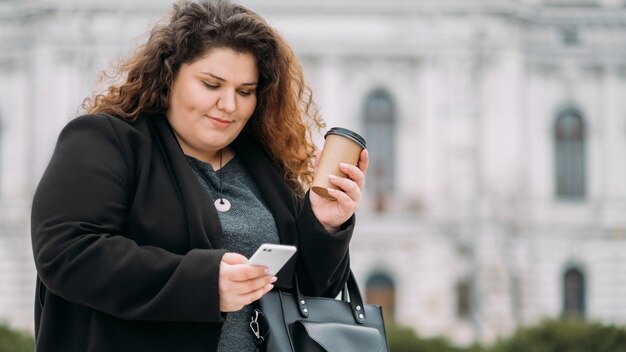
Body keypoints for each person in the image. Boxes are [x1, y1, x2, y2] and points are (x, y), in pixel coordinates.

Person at [30, 0, 368, 351]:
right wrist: (205, 284)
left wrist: (325, 227)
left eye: (245, 91)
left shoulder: (268, 170)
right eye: (211, 84)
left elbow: (307, 296)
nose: (229, 105)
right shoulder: (104, 141)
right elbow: (67, 253)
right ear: (169, 75)